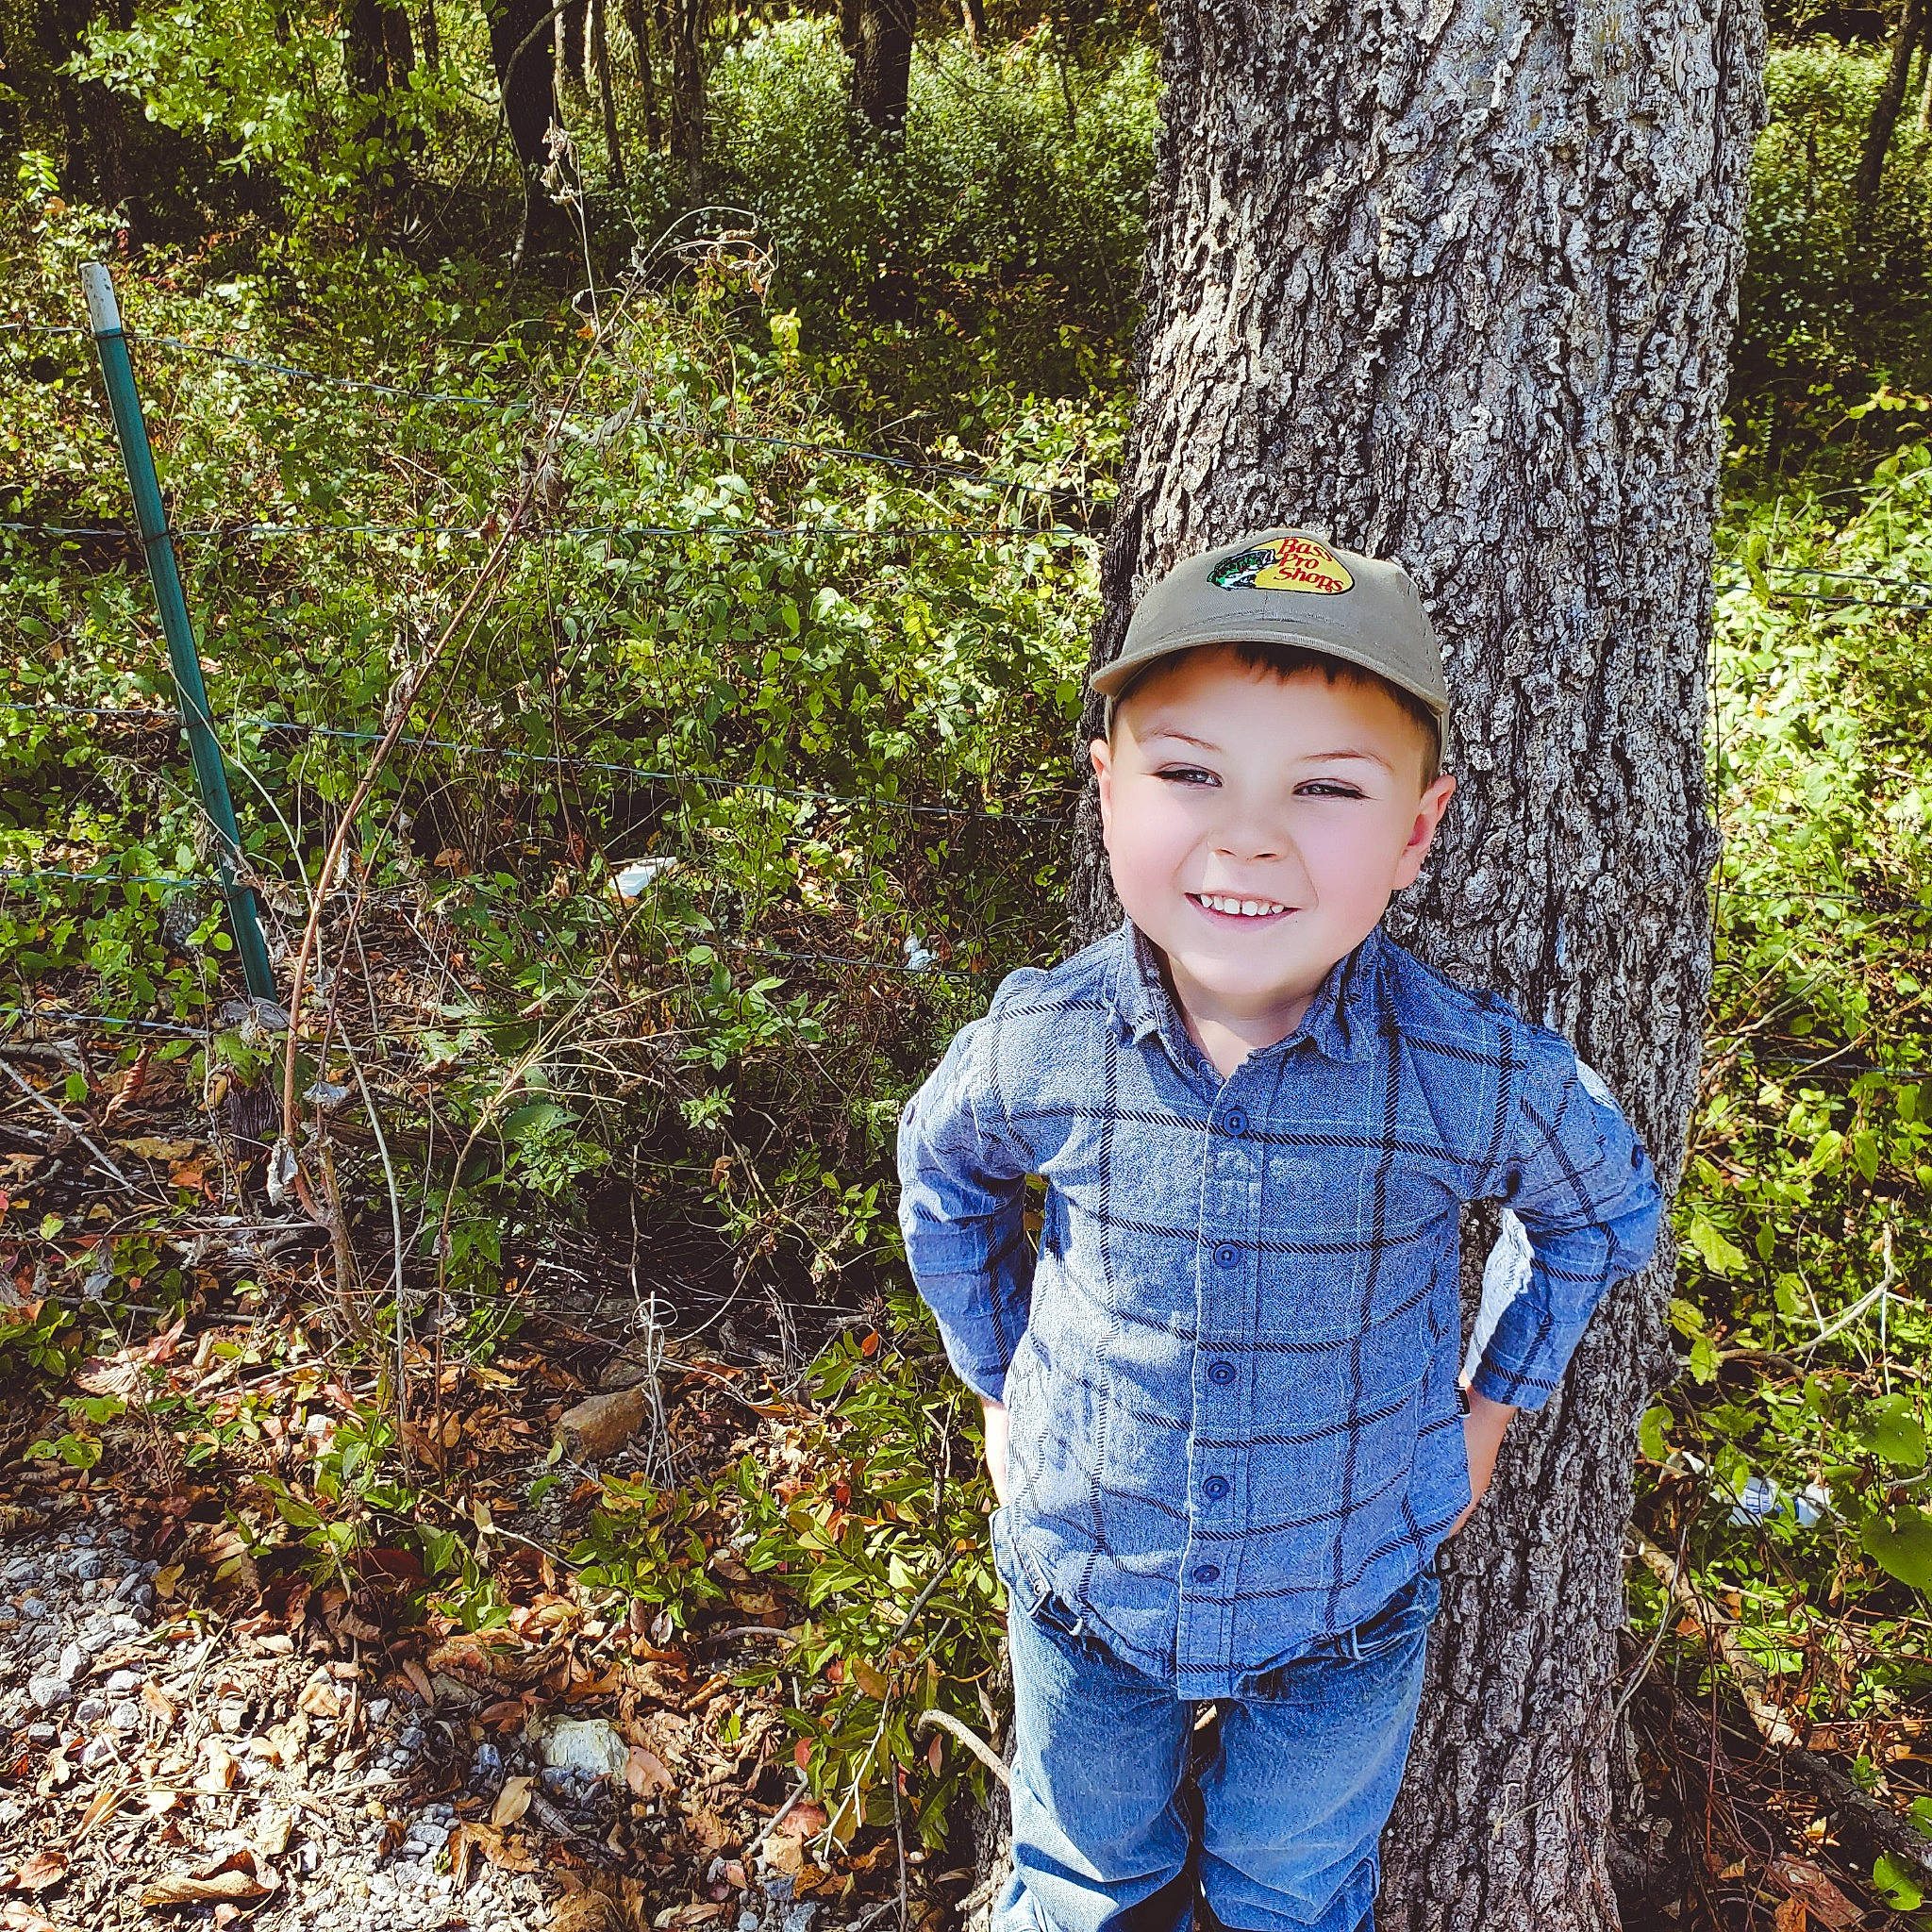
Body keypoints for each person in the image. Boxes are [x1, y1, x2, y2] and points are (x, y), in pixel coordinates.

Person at [895, 529, 1665, 1932]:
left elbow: (1602, 1212)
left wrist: (1489, 1410)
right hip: (1086, 1583)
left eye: (1324, 790)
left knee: (1291, 1893)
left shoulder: (1469, 1075)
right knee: (1079, 1882)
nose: (1246, 836)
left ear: (1417, 832)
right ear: (1108, 791)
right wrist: (996, 1374)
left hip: (1345, 1605)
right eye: (1190, 773)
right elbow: (938, 1175)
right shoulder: (1041, 1045)